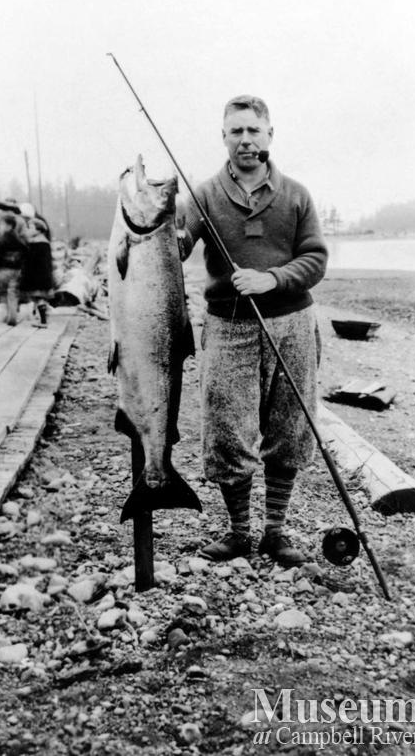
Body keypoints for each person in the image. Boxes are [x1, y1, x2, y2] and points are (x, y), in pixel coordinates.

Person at [179, 95, 328, 565]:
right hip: (228, 325)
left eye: (253, 131)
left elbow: (315, 258)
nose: (245, 140)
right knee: (227, 429)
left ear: (269, 135)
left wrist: (273, 279)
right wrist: (157, 227)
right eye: (236, 131)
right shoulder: (203, 195)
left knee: (290, 425)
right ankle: (239, 532)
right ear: (223, 138)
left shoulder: (297, 195)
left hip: (292, 323)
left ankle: (275, 532)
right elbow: (176, 247)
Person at [0, 200, 29, 325]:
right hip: (17, 261)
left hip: (0, 260)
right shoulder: (21, 221)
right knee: (15, 287)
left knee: (1, 288)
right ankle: (14, 309)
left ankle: (5, 312)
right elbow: (26, 240)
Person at [18, 202, 54, 327]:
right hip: (45, 276)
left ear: (38, 230)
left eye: (31, 227)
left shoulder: (34, 243)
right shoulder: (45, 242)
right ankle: (42, 318)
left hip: (35, 277)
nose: (29, 230)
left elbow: (28, 261)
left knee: (38, 298)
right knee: (41, 298)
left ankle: (43, 321)